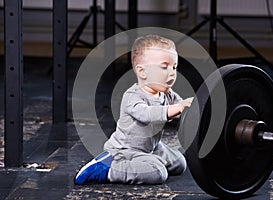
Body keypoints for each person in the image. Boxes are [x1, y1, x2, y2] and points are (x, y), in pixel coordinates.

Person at [75, 34, 193, 185]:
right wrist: (177, 108)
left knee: (180, 164)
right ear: (142, 72)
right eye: (164, 67)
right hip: (125, 151)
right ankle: (107, 169)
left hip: (152, 147)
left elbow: (181, 109)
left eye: (174, 67)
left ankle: (149, 160)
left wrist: (193, 106)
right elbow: (148, 115)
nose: (171, 72)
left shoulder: (167, 94)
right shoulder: (132, 96)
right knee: (157, 173)